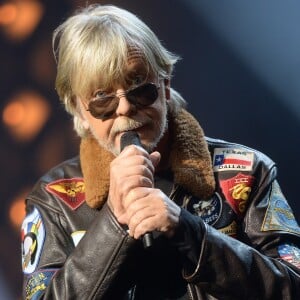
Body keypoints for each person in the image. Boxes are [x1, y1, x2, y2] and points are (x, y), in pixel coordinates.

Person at [21, 3, 300, 299]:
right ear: (79, 110)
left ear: (165, 85)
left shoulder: (246, 171)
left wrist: (189, 233)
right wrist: (114, 222)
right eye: (102, 97)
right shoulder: (55, 199)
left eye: (139, 85)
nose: (126, 107)